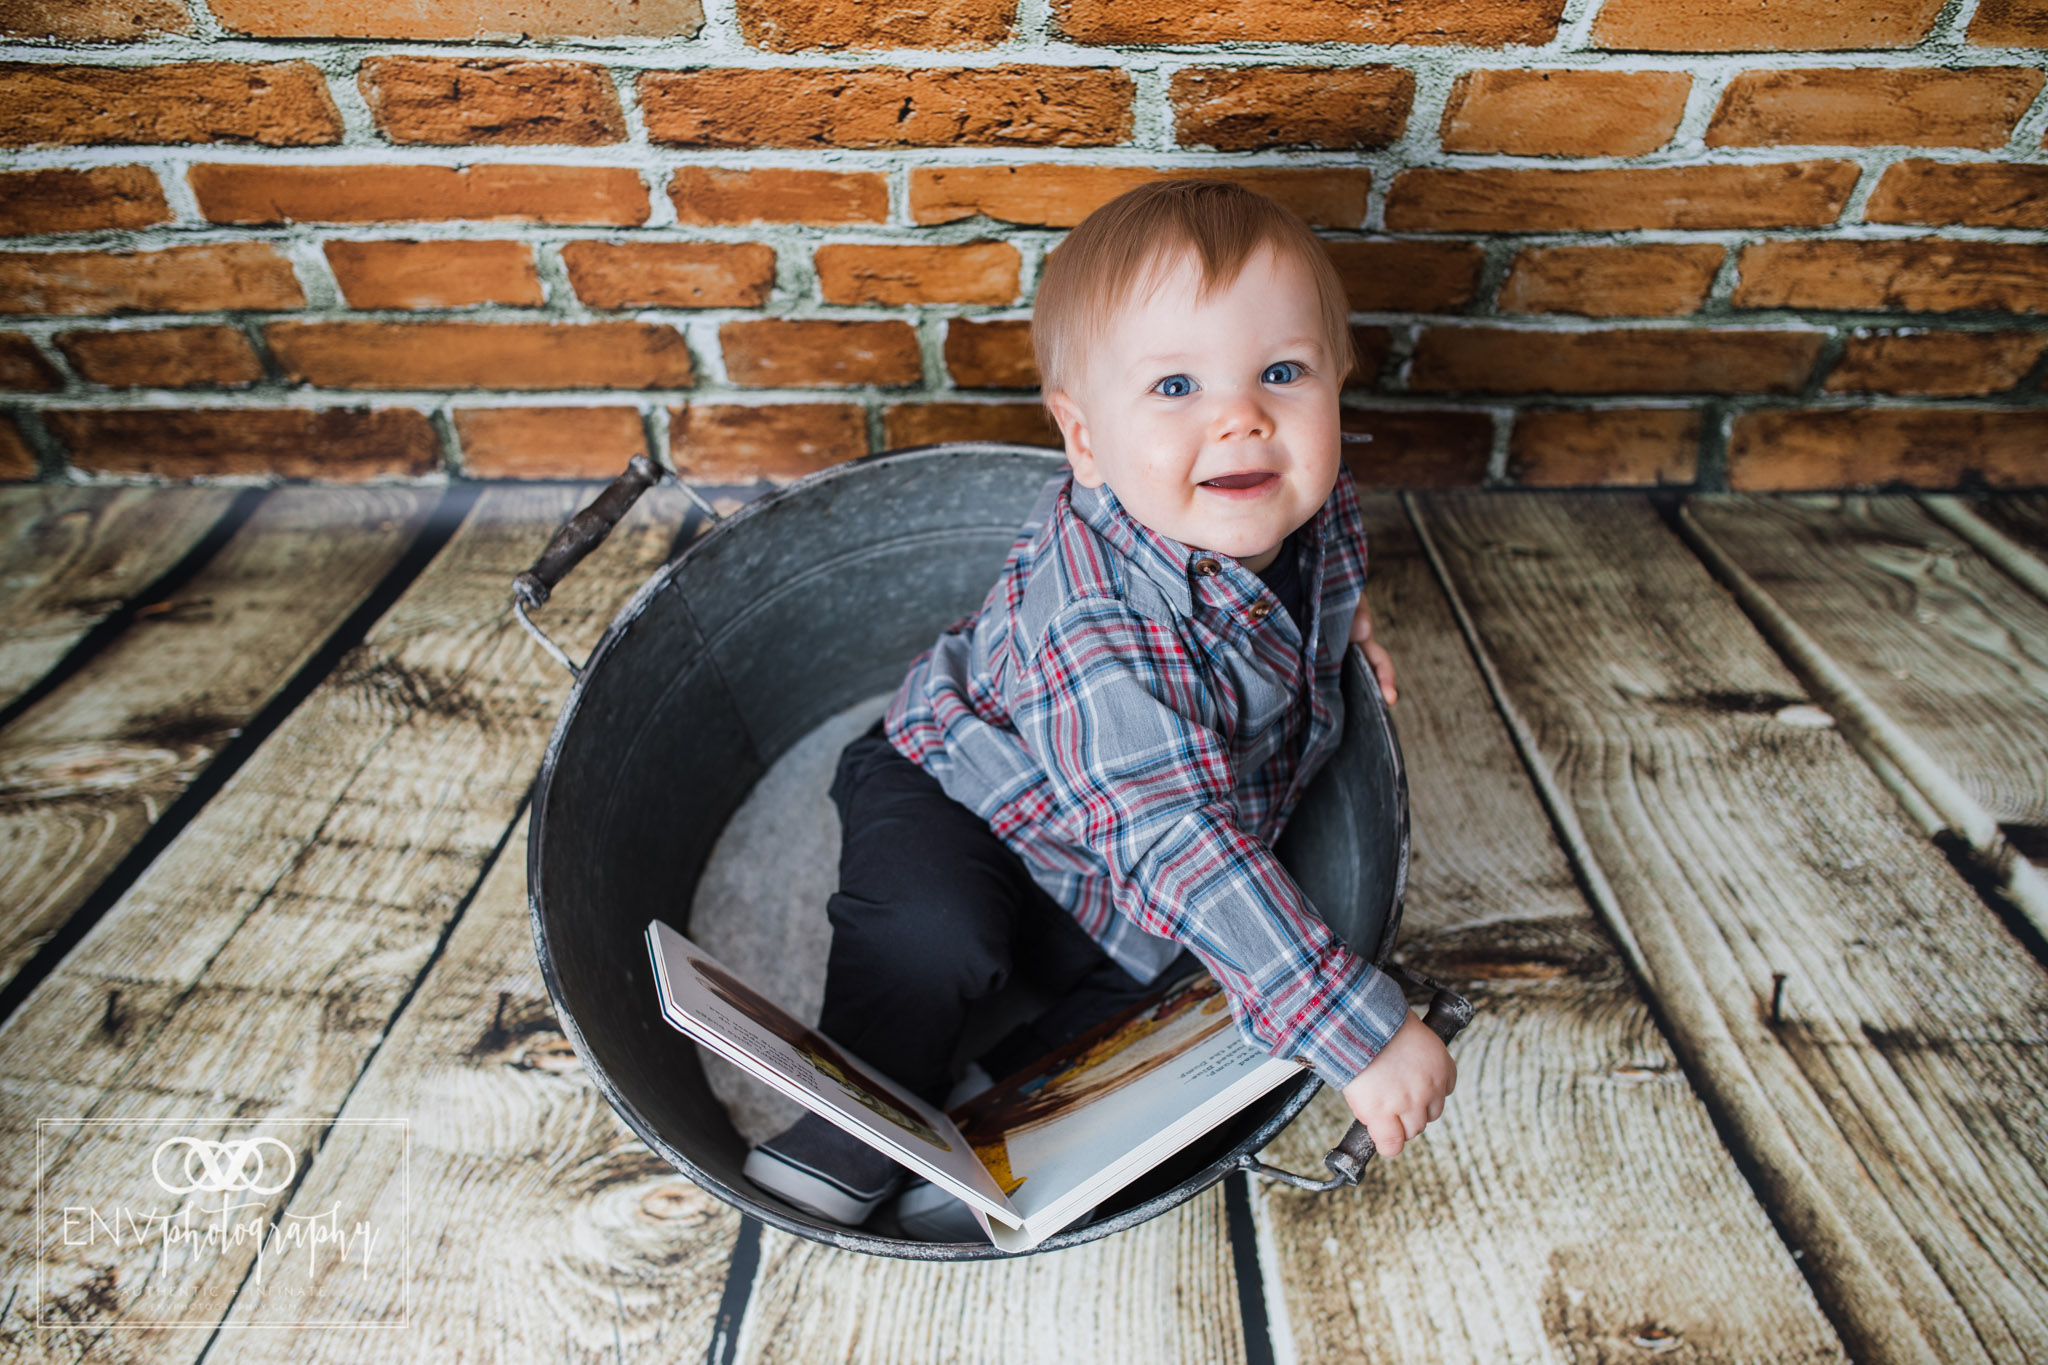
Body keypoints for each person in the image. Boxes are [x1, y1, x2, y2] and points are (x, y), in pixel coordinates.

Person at [742, 178, 1456, 1237]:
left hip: (1111, 869)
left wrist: (1334, 630)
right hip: (967, 796)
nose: (1241, 417)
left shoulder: (1295, 503)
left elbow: (1298, 603)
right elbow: (1171, 836)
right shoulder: (1097, 618)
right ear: (1084, 441)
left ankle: (1000, 1110)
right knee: (930, 942)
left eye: (1282, 372)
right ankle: (853, 1114)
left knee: (1200, 991)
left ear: (1336, 385)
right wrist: (1352, 1033)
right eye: (1174, 386)